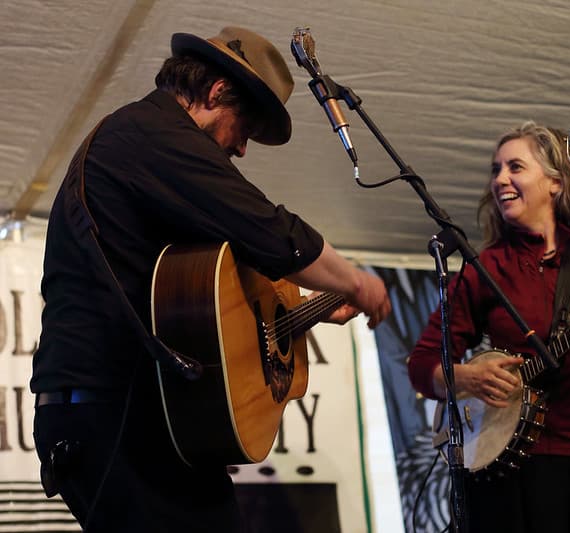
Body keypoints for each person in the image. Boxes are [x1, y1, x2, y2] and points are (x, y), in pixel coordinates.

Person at [30, 27, 391, 532]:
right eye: (244, 128)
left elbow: (199, 298)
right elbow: (266, 230)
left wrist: (301, 311)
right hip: (110, 416)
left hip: (136, 416)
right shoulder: (152, 136)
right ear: (217, 92)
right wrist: (357, 281)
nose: (242, 149)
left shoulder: (149, 147)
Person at [407, 120, 570, 532]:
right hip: (521, 469)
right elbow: (423, 365)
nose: (500, 179)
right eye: (495, 170)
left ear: (555, 182)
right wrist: (468, 378)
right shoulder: (486, 268)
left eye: (515, 167)